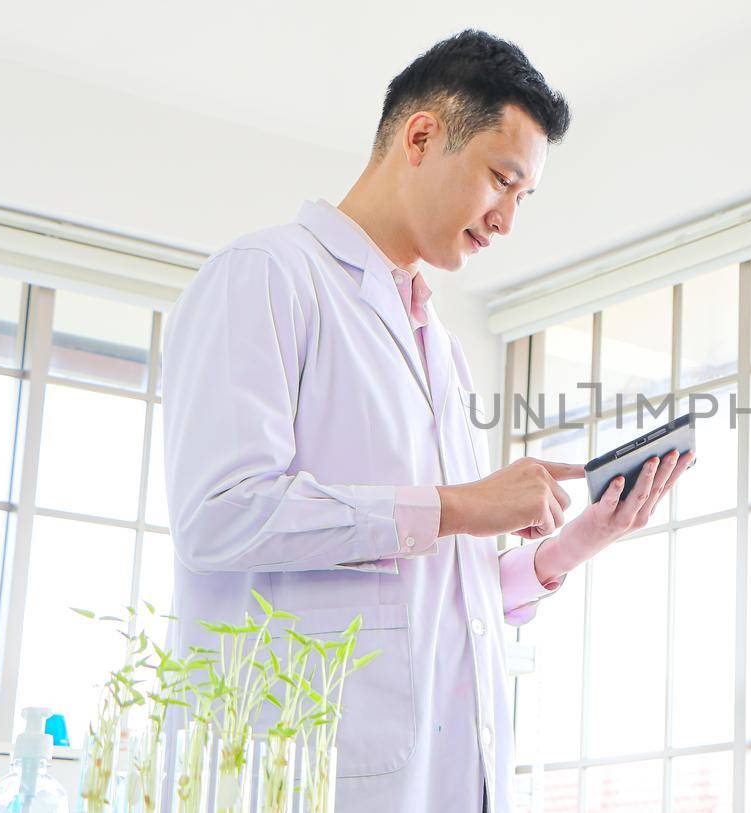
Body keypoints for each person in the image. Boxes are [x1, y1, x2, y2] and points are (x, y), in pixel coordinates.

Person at [161, 29, 693, 811]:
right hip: (305, 777)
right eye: (501, 180)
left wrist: (568, 548)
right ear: (421, 136)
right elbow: (219, 516)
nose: (508, 220)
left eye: (524, 197)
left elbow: (436, 588)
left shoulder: (437, 347)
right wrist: (461, 504)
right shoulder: (268, 276)